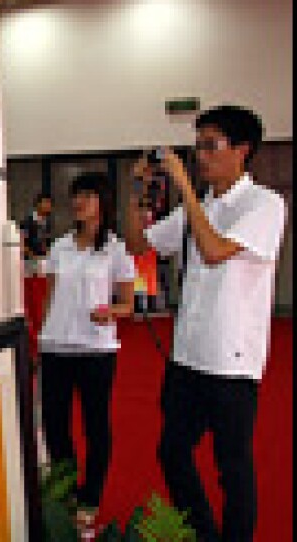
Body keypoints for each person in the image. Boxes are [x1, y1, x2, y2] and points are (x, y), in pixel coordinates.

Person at [125, 105, 287, 542]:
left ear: (241, 150)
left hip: (231, 359)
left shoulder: (264, 204)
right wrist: (140, 190)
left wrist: (185, 191)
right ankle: (202, 533)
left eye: (210, 145)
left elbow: (214, 251)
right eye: (197, 147)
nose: (200, 156)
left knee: (231, 466)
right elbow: (139, 245)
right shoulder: (203, 205)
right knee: (172, 451)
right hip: (187, 355)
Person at [38, 172, 135, 535]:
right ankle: (64, 494)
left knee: (96, 427)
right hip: (55, 347)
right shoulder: (59, 247)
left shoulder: (116, 249)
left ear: (103, 203)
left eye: (88, 196)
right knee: (55, 427)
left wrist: (110, 311)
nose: (79, 202)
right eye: (76, 195)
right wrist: (40, 339)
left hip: (96, 349)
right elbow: (49, 297)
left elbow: (127, 304)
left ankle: (89, 499)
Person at [20, 193, 53, 274]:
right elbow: (22, 244)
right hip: (29, 262)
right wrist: (34, 257)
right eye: (46, 203)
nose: (48, 206)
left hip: (42, 262)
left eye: (49, 203)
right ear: (38, 204)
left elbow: (46, 242)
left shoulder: (47, 223)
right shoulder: (27, 222)